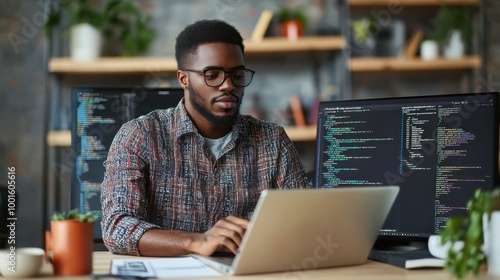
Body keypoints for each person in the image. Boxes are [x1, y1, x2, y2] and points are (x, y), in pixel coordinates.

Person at [100, 19, 311, 257]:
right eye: (212, 74)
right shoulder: (139, 136)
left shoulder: (273, 141)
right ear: (183, 79)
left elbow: (303, 221)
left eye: (237, 74)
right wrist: (197, 241)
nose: (228, 85)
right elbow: (116, 227)